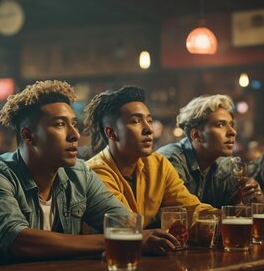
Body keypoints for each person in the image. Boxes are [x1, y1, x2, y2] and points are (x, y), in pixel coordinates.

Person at [0, 81, 170, 266]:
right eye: (59, 124)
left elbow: (124, 222)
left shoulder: (79, 173)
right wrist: (115, 241)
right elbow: (20, 241)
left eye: (74, 124)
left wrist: (144, 234)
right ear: (28, 135)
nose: (74, 134)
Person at [84, 86, 219, 231]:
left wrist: (228, 217)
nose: (149, 129)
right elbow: (125, 225)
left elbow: (191, 209)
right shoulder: (95, 172)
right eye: (136, 121)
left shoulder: (158, 164)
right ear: (111, 133)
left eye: (149, 120)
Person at [157, 94, 263, 208]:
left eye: (232, 125)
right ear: (197, 135)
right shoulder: (170, 160)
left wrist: (252, 200)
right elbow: (180, 213)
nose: (232, 132)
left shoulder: (226, 166)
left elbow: (235, 215)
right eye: (221, 125)